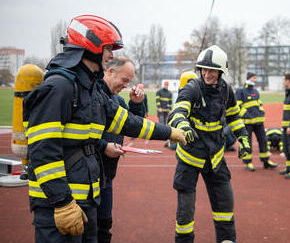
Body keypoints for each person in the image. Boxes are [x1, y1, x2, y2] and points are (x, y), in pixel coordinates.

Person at [23, 15, 186, 243]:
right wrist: (62, 203)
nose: (111, 55)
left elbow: (127, 121)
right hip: (59, 208)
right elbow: (42, 151)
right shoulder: (59, 87)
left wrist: (168, 132)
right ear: (90, 46)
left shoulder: (90, 89)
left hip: (86, 202)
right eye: (108, 48)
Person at [168, 45, 251, 243]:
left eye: (212, 70)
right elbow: (176, 113)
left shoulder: (226, 91)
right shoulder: (192, 88)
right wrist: (183, 126)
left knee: (225, 204)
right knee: (185, 213)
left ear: (221, 72)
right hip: (190, 157)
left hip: (215, 157)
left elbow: (234, 117)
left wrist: (244, 138)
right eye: (203, 69)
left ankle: (226, 240)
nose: (206, 73)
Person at [96, 57, 145, 242]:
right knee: (86, 229)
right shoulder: (92, 96)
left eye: (129, 82)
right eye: (124, 80)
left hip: (107, 177)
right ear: (110, 72)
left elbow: (133, 124)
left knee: (105, 226)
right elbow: (81, 136)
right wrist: (104, 147)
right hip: (86, 179)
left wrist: (135, 103)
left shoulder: (118, 101)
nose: (126, 85)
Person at [235, 72, 277, 171]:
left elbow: (259, 103)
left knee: (263, 141)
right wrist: (248, 115)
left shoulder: (255, 91)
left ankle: (266, 161)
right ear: (249, 78)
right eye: (254, 78)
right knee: (247, 142)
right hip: (247, 123)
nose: (255, 80)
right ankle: (248, 163)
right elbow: (238, 106)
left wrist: (261, 113)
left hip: (259, 122)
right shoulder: (241, 91)